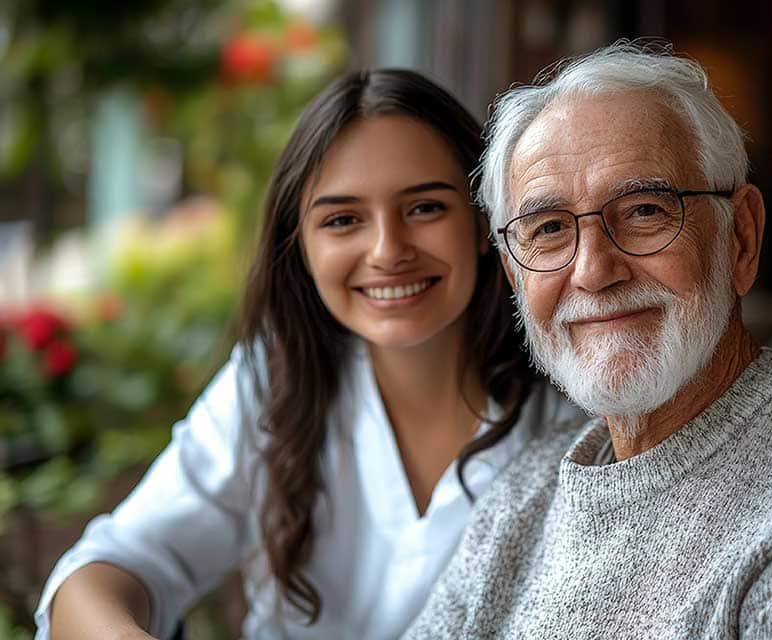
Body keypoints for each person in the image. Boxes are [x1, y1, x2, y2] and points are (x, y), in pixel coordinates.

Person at [404, 42, 772, 639]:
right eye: (547, 229)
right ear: (516, 277)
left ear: (741, 238)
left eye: (645, 210)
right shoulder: (528, 490)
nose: (592, 270)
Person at [35, 69, 580, 640]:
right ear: (302, 247)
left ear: (484, 222)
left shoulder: (571, 404)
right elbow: (112, 566)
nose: (388, 251)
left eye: (425, 208)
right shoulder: (274, 380)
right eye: (343, 220)